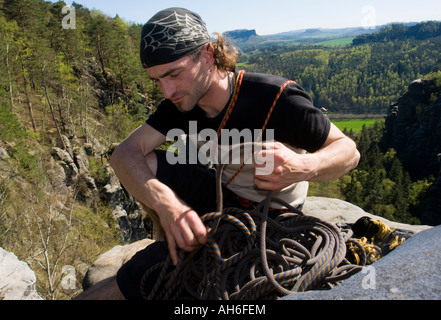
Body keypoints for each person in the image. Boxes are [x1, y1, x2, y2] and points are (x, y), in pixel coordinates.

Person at [76, 7, 360, 300]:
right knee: (146, 162)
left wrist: (304, 165)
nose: (167, 90)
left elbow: (348, 152)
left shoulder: (275, 97)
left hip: (270, 216)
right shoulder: (180, 104)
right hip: (221, 196)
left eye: (174, 74)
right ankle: (170, 234)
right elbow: (124, 154)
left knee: (146, 276)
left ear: (208, 55)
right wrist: (167, 206)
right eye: (157, 80)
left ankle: (167, 255)